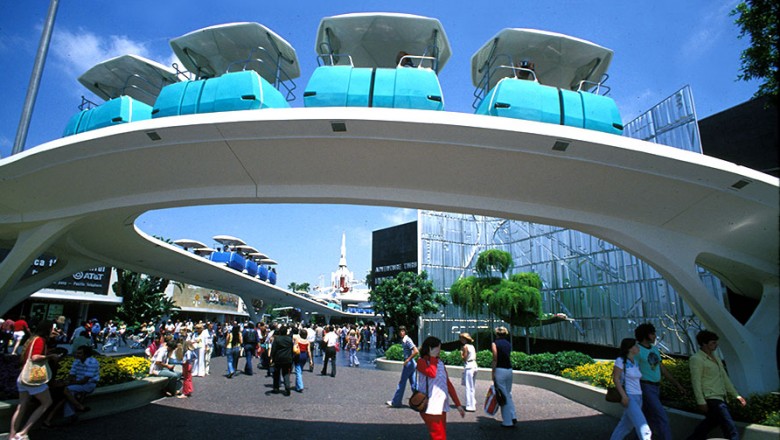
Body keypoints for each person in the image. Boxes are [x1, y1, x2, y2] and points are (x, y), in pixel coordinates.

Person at [687, 330, 746, 440]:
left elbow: (725, 378)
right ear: (704, 344)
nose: (716, 345)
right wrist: (701, 401)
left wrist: (736, 395)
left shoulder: (716, 358)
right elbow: (696, 381)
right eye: (713, 343)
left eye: (716, 342)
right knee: (730, 428)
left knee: (708, 425)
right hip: (711, 398)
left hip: (721, 396)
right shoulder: (696, 359)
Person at [9, 320, 62, 440]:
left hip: (23, 376)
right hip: (33, 379)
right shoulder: (40, 340)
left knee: (21, 406)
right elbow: (35, 357)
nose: (54, 330)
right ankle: (23, 432)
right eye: (52, 328)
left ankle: (12, 435)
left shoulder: (32, 339)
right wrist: (51, 356)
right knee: (47, 402)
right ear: (47, 329)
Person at [634, 323, 685, 440]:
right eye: (652, 334)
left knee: (648, 417)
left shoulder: (654, 349)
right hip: (645, 386)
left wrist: (677, 384)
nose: (655, 336)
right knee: (662, 417)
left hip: (656, 387)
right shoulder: (636, 351)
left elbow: (662, 368)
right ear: (645, 335)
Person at [416, 336, 465, 440]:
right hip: (429, 405)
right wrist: (432, 357)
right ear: (430, 348)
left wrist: (458, 404)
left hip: (441, 404)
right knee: (438, 436)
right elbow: (431, 373)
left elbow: (448, 384)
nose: (439, 350)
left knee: (440, 435)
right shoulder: (421, 362)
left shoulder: (440, 363)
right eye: (437, 348)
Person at [44, 345, 99, 426]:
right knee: (66, 395)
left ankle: (74, 410)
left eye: (79, 353)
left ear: (86, 355)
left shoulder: (92, 363)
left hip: (88, 384)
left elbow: (84, 381)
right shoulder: (76, 361)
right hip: (75, 384)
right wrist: (67, 381)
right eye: (77, 353)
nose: (76, 355)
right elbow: (71, 374)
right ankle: (75, 411)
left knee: (66, 390)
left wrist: (67, 383)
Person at [609, 338, 652, 440]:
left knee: (625, 426)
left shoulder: (635, 362)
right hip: (629, 397)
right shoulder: (620, 361)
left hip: (638, 397)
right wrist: (624, 396)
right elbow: (616, 379)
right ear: (630, 348)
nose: (638, 347)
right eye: (636, 346)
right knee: (644, 428)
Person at [387, 325, 419, 408]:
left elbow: (416, 351)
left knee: (402, 383)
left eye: (403, 331)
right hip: (412, 364)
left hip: (409, 364)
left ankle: (396, 402)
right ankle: (421, 400)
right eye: (400, 331)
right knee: (414, 384)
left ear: (405, 331)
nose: (401, 333)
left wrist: (408, 360)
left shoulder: (407, 340)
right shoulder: (405, 340)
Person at [491, 326, 516, 428]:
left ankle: (507, 421)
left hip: (500, 369)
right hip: (509, 369)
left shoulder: (494, 343)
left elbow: (495, 358)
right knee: (508, 394)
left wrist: (493, 372)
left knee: (502, 395)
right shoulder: (508, 344)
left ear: (496, 334)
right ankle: (513, 415)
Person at [270, 325, 293, 396]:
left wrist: (271, 357)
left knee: (276, 373)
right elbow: (292, 349)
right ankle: (287, 386)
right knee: (286, 373)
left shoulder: (277, 339)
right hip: (287, 358)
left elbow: (273, 349)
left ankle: (276, 388)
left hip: (278, 358)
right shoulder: (289, 339)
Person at [459, 332, 477, 412]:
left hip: (469, 366)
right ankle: (473, 402)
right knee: (472, 386)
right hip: (474, 365)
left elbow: (464, 358)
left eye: (462, 338)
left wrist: (461, 354)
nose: (461, 340)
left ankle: (469, 406)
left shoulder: (465, 347)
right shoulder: (472, 346)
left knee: (469, 387)